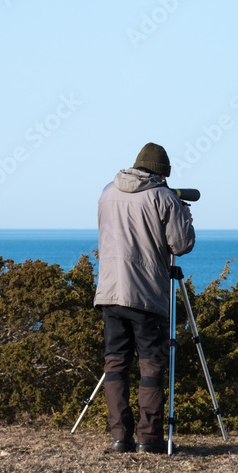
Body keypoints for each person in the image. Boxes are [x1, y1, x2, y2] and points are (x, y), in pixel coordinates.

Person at [94, 143, 195, 454]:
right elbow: (181, 245)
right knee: (150, 365)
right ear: (161, 173)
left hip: (110, 290)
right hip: (146, 294)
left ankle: (118, 438)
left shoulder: (108, 191)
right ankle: (148, 440)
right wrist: (184, 215)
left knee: (115, 363)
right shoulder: (163, 197)